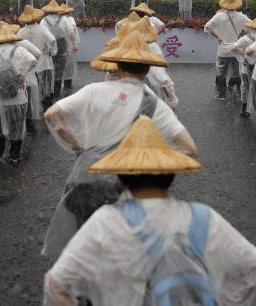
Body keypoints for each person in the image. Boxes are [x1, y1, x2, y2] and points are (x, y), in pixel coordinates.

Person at [43, 116, 256, 306]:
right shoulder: (203, 218)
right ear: (170, 174)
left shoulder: (106, 221)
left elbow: (57, 283)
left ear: (121, 177)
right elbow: (255, 267)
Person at [41, 32, 198, 260]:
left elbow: (52, 115)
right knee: (119, 252)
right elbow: (190, 149)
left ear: (118, 67)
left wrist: (78, 147)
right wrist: (147, 163)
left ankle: (87, 287)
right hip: (123, 189)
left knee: (86, 244)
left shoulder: (94, 90)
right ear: (147, 70)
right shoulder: (155, 105)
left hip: (84, 181)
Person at [0, 22, 38, 164]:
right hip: (17, 97)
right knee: (16, 125)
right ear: (12, 38)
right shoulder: (20, 51)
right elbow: (34, 60)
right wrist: (21, 76)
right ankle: (14, 155)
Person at [203, 0, 250, 100]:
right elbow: (252, 27)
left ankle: (222, 94)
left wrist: (217, 37)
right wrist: (241, 35)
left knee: (221, 72)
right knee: (237, 71)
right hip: (237, 49)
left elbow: (207, 27)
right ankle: (239, 92)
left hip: (223, 50)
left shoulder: (219, 16)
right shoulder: (242, 17)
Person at [18, 5, 56, 131]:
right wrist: (51, 51)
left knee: (31, 90)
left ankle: (31, 117)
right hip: (43, 62)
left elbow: (17, 45)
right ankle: (46, 111)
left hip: (29, 66)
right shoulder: (42, 29)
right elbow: (52, 40)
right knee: (45, 87)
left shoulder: (21, 32)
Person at [41, 0, 78, 103]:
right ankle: (57, 91)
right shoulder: (64, 19)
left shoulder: (44, 21)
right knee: (59, 71)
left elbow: (42, 36)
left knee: (49, 70)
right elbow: (71, 33)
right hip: (62, 49)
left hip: (49, 50)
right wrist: (74, 45)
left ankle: (49, 90)